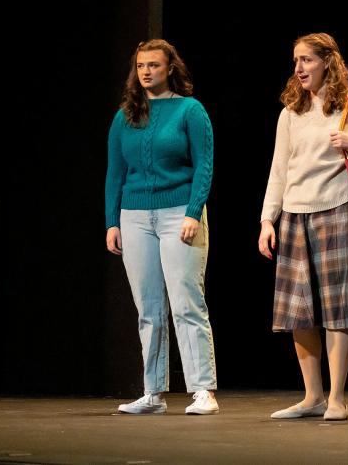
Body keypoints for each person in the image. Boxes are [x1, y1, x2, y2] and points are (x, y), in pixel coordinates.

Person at [259, 33, 348, 422]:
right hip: (295, 213)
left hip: (338, 208)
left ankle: (336, 398)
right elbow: (279, 170)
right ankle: (311, 395)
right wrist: (268, 219)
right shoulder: (290, 112)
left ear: (328, 62)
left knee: (339, 306)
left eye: (307, 60)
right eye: (296, 60)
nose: (299, 68)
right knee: (297, 309)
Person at [105, 39, 219, 416]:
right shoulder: (126, 116)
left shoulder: (190, 110)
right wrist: (111, 221)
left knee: (187, 301)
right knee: (148, 307)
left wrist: (193, 211)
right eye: (141, 66)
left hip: (179, 213)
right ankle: (152, 392)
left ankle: (203, 389)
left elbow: (204, 165)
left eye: (154, 65)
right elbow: (115, 173)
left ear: (170, 68)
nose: (147, 71)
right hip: (135, 216)